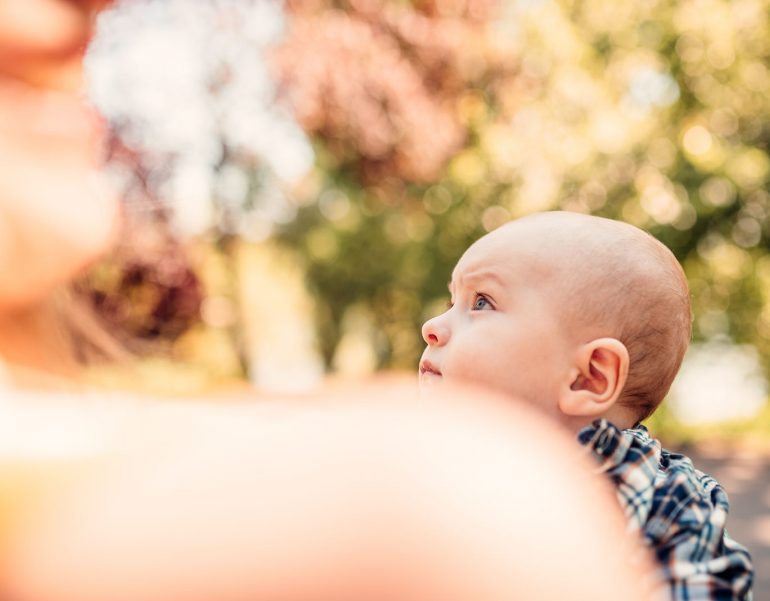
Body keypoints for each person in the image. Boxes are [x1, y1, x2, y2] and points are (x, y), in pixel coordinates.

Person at [0, 2, 653, 599]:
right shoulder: (434, 518)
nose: (101, 4)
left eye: (482, 304)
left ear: (594, 376)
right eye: (462, 301)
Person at [420, 210, 754, 600]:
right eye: (451, 300)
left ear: (588, 377)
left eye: (481, 302)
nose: (432, 325)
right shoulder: (433, 468)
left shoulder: (661, 505)